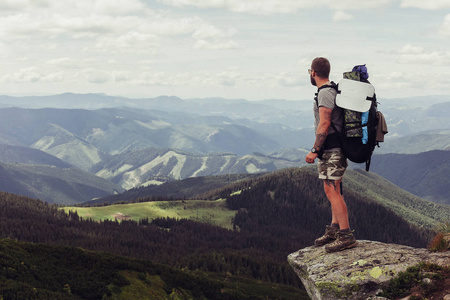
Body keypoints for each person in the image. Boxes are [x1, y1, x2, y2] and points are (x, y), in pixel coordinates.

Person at [305, 57, 357, 253]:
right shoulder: (330, 90)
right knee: (334, 190)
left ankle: (346, 235)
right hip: (334, 149)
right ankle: (334, 229)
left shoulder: (325, 93)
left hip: (332, 149)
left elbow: (325, 123)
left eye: (310, 71)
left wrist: (314, 150)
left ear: (313, 73)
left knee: (332, 192)